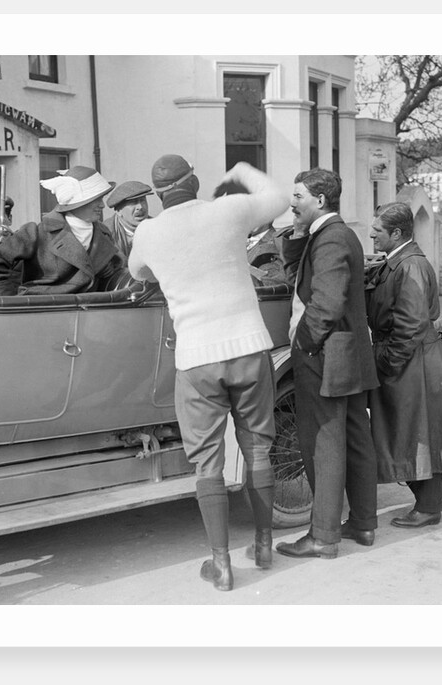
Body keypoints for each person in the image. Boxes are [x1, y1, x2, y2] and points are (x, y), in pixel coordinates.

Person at [128, 156, 287, 592]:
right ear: (194, 182)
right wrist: (240, 169)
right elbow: (278, 198)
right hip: (249, 347)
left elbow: (136, 272)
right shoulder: (229, 211)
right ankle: (264, 543)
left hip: (197, 358)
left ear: (159, 194)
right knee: (257, 448)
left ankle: (221, 564)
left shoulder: (147, 232)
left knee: (207, 462)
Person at [275, 168, 380, 559]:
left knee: (324, 445)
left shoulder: (330, 238)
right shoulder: (337, 234)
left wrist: (303, 343)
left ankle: (322, 536)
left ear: (319, 200)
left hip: (326, 357)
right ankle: (364, 525)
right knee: (355, 439)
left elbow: (327, 303)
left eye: (298, 196)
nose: (291, 202)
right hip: (349, 356)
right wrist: (297, 237)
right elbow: (300, 279)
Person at [365, 202, 442, 527]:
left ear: (397, 233)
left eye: (377, 230)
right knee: (407, 429)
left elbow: (409, 325)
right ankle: (436, 495)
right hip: (414, 357)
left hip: (413, 360)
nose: (371, 234)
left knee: (418, 430)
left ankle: (428, 509)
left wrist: (386, 363)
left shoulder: (410, 266)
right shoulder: (400, 261)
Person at [0, 167, 126, 296]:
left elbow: (116, 267)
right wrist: (6, 302)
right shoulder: (39, 232)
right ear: (76, 202)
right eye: (96, 199)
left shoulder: (103, 232)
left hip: (88, 312)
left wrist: (107, 265)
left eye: (102, 198)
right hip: (45, 311)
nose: (102, 205)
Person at [103, 181, 152, 257]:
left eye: (142, 200)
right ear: (119, 211)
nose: (140, 207)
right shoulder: (105, 233)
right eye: (133, 202)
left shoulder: (157, 227)